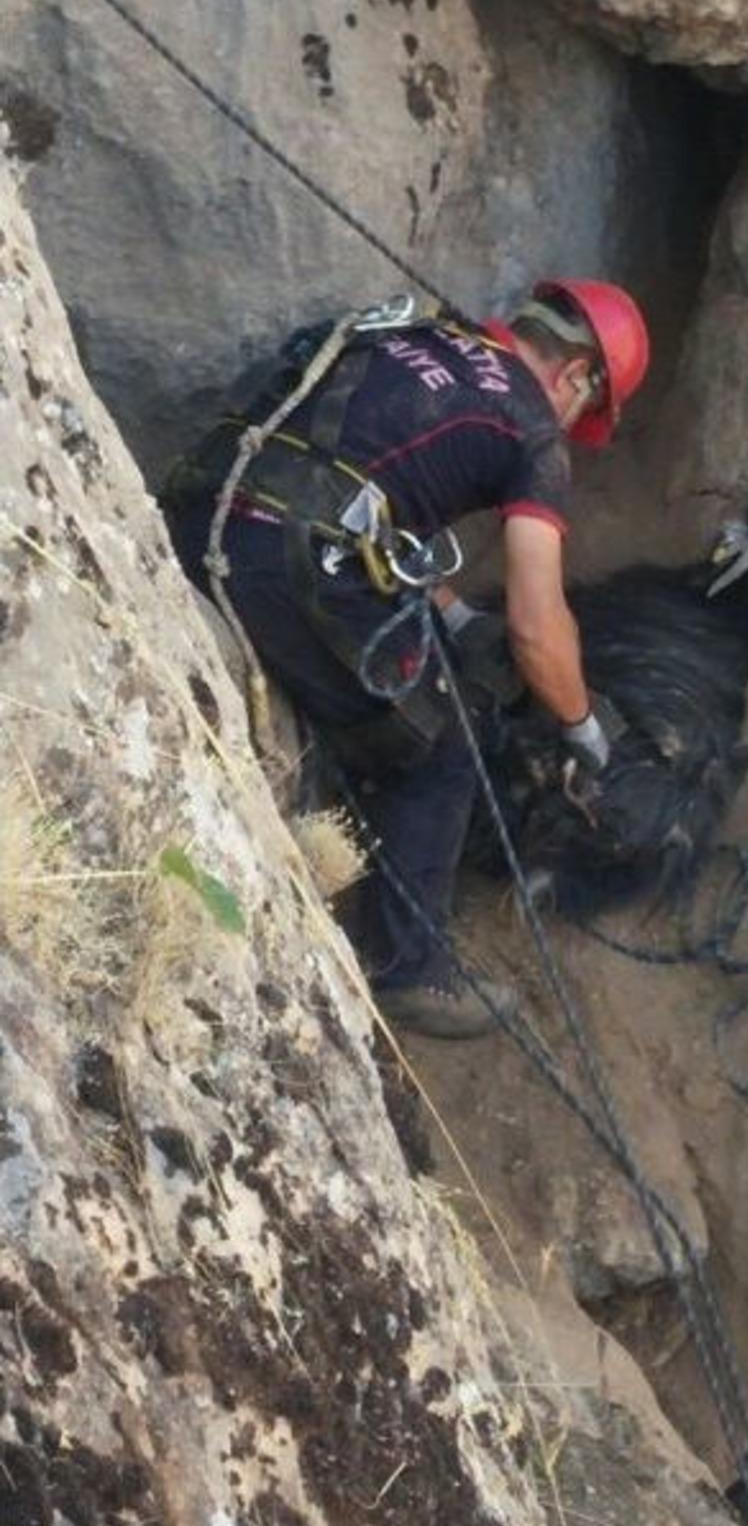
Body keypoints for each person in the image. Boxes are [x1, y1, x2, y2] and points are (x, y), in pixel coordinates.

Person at [166, 279, 650, 1038]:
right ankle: (409, 969)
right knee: (440, 743)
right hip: (284, 565)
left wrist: (451, 614)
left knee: (396, 674)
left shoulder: (411, 334)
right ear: (578, 375)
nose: (573, 422)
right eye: (585, 405)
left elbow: (358, 484)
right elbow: (536, 624)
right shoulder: (532, 433)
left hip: (198, 513)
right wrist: (582, 725)